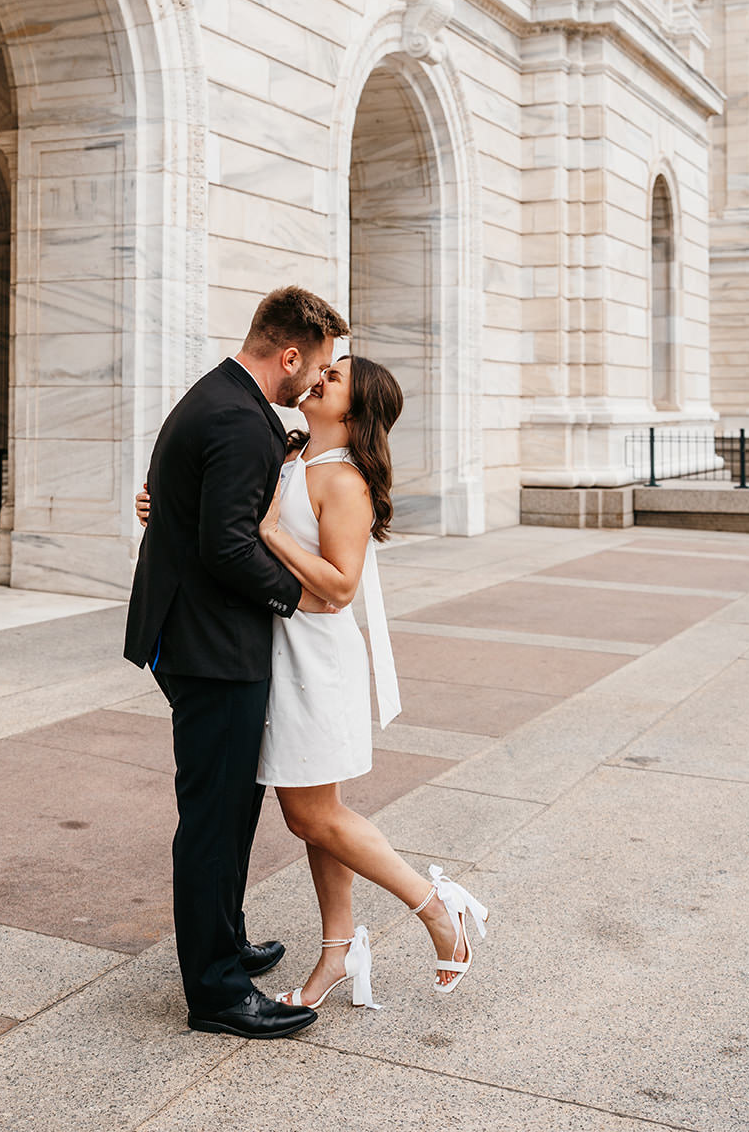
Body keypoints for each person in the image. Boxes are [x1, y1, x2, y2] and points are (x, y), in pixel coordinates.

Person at [137, 353, 490, 1011]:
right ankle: (337, 952)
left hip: (313, 662)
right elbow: (229, 523)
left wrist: (270, 532)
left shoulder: (344, 480)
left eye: (336, 379)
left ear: (353, 412)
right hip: (273, 652)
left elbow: (339, 586)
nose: (320, 378)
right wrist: (166, 507)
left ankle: (435, 906)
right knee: (316, 817)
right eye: (324, 370)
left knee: (311, 812)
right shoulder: (291, 455)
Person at [123, 285, 349, 1039]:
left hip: (196, 635)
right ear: (287, 355)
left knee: (230, 806)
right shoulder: (237, 419)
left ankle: (225, 942)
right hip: (210, 647)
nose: (313, 386)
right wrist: (296, 597)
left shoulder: (226, 403)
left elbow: (193, 507)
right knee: (215, 821)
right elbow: (226, 544)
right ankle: (216, 991)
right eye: (313, 370)